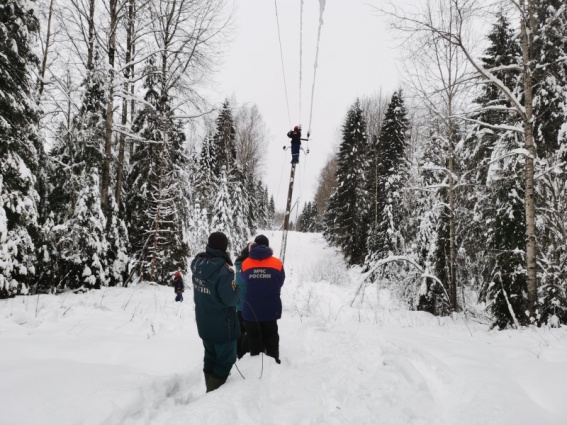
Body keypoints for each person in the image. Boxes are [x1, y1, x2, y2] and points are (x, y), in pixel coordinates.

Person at [191, 231, 240, 392]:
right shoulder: (224, 272)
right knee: (226, 359)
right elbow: (231, 300)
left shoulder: (198, 263)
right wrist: (237, 291)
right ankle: (212, 394)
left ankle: (210, 389)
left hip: (204, 322)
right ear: (224, 248)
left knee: (210, 356)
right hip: (222, 326)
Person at [241, 235, 285, 364]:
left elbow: (244, 280)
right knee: (271, 336)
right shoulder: (277, 263)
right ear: (268, 245)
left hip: (250, 307)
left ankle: (257, 365)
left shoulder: (246, 263)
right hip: (271, 306)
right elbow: (280, 281)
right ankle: (273, 361)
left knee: (253, 338)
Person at [234, 244, 250, 359]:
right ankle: (243, 353)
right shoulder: (247, 266)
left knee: (239, 330)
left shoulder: (238, 265)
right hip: (248, 304)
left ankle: (238, 351)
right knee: (247, 330)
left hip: (239, 304)